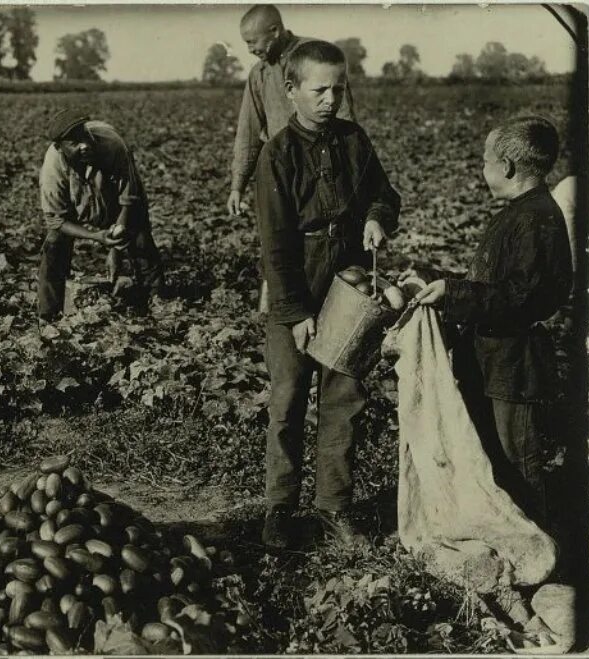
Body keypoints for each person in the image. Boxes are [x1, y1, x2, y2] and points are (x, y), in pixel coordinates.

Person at [255, 41, 400, 549]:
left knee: (344, 400)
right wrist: (294, 312)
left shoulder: (353, 141)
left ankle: (333, 507)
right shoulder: (278, 155)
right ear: (291, 91)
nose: (330, 99)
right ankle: (280, 507)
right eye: (319, 89)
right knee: (288, 400)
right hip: (296, 285)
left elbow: (384, 193)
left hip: (348, 287)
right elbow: (275, 245)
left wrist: (379, 218)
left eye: (338, 88)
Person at [413, 116, 572, 525]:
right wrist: (439, 284)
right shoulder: (519, 213)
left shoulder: (536, 219)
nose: (482, 169)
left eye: (485, 160)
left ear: (506, 167)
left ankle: (542, 549)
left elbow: (519, 296)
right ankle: (509, 536)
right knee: (489, 453)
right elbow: (492, 287)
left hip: (515, 361)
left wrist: (454, 292)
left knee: (518, 458)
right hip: (491, 355)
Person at [228, 4, 356, 311]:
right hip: (280, 170)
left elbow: (345, 120)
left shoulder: (314, 59)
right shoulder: (259, 74)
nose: (250, 49)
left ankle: (331, 309)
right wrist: (237, 185)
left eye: (252, 42)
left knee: (324, 239)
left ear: (274, 31)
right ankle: (276, 310)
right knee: (277, 239)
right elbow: (248, 131)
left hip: (321, 165)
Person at [37, 109, 164, 320]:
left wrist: (115, 246)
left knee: (140, 241)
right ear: (60, 148)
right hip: (76, 206)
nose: (84, 145)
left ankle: (157, 304)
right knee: (54, 243)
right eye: (74, 142)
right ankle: (48, 313)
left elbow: (128, 198)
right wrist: (96, 236)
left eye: (84, 136)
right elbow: (56, 219)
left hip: (116, 199)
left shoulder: (111, 144)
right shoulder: (53, 167)